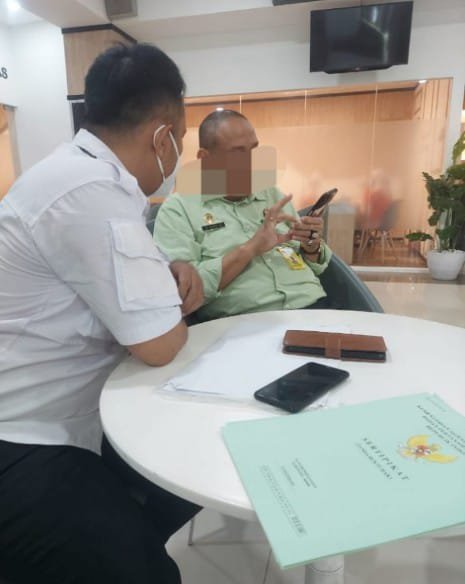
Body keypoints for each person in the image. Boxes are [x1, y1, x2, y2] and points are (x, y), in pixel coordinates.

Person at [0, 44, 204, 584]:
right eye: (183, 140)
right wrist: (169, 305)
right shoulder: (89, 190)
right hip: (24, 436)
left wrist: (174, 268)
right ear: (162, 137)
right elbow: (159, 343)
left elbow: (139, 281)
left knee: (179, 474)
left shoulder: (83, 176)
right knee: (147, 572)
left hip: (65, 415)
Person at [154, 109, 332, 321]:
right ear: (205, 159)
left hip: (316, 307)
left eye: (255, 150)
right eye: (238, 154)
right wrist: (250, 249)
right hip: (248, 322)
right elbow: (182, 291)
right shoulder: (179, 209)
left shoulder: (271, 194)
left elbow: (313, 263)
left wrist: (311, 245)